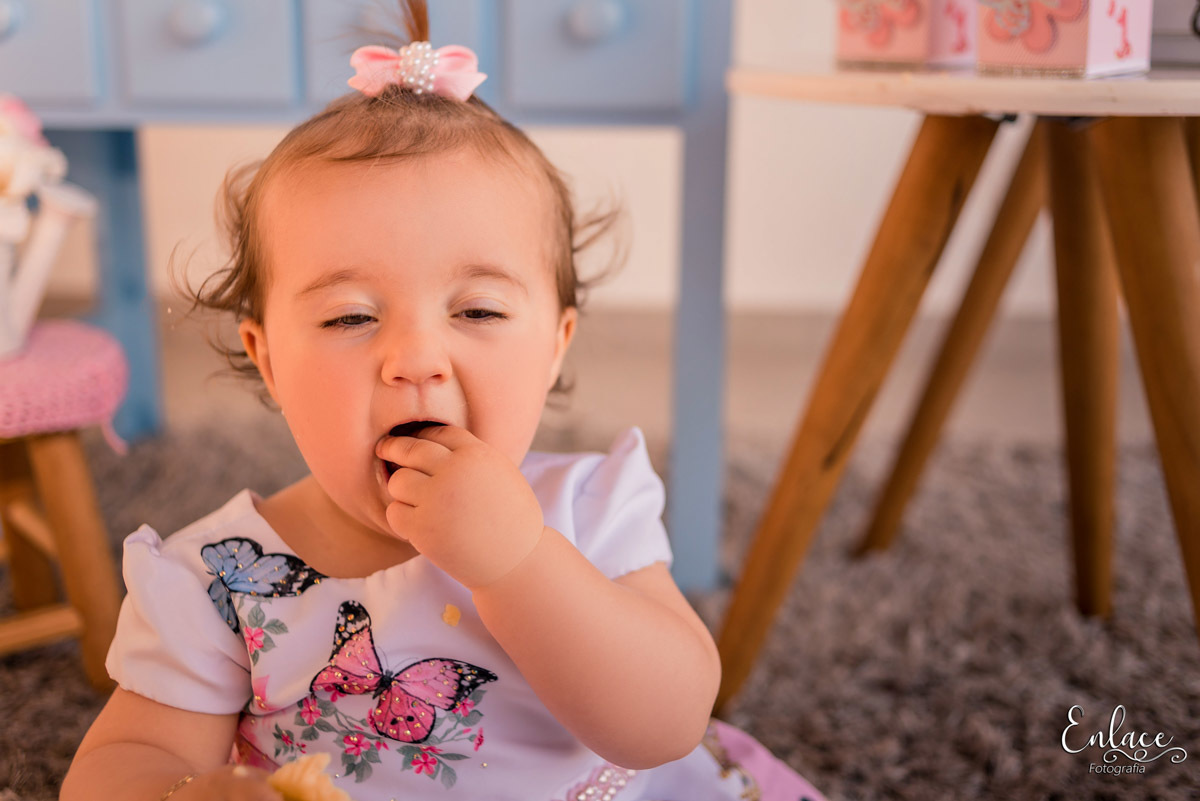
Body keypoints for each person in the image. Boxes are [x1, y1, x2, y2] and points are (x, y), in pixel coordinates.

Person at [60, 4, 828, 800]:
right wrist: (187, 792)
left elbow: (667, 720)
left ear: (556, 343)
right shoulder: (221, 580)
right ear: (268, 359)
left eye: (479, 310)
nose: (417, 360)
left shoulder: (588, 508)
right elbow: (126, 757)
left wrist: (518, 561)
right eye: (350, 316)